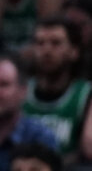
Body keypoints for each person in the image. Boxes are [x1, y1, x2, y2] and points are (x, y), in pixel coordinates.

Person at [23, 17, 92, 159]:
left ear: (74, 51)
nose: (46, 50)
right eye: (40, 43)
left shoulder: (85, 94)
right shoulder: (19, 90)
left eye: (56, 43)